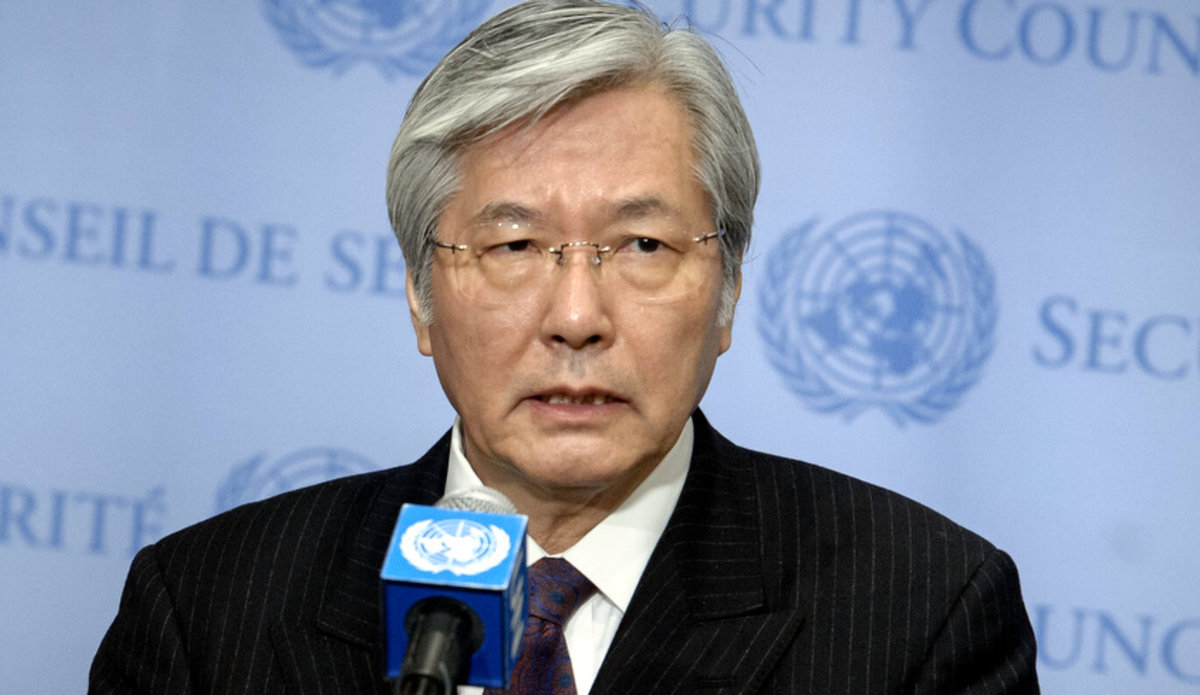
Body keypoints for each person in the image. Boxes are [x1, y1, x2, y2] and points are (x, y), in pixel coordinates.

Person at [90, 1, 1040, 693]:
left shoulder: (919, 614)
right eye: (513, 247)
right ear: (420, 295)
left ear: (728, 290)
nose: (577, 316)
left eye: (642, 245)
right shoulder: (208, 610)